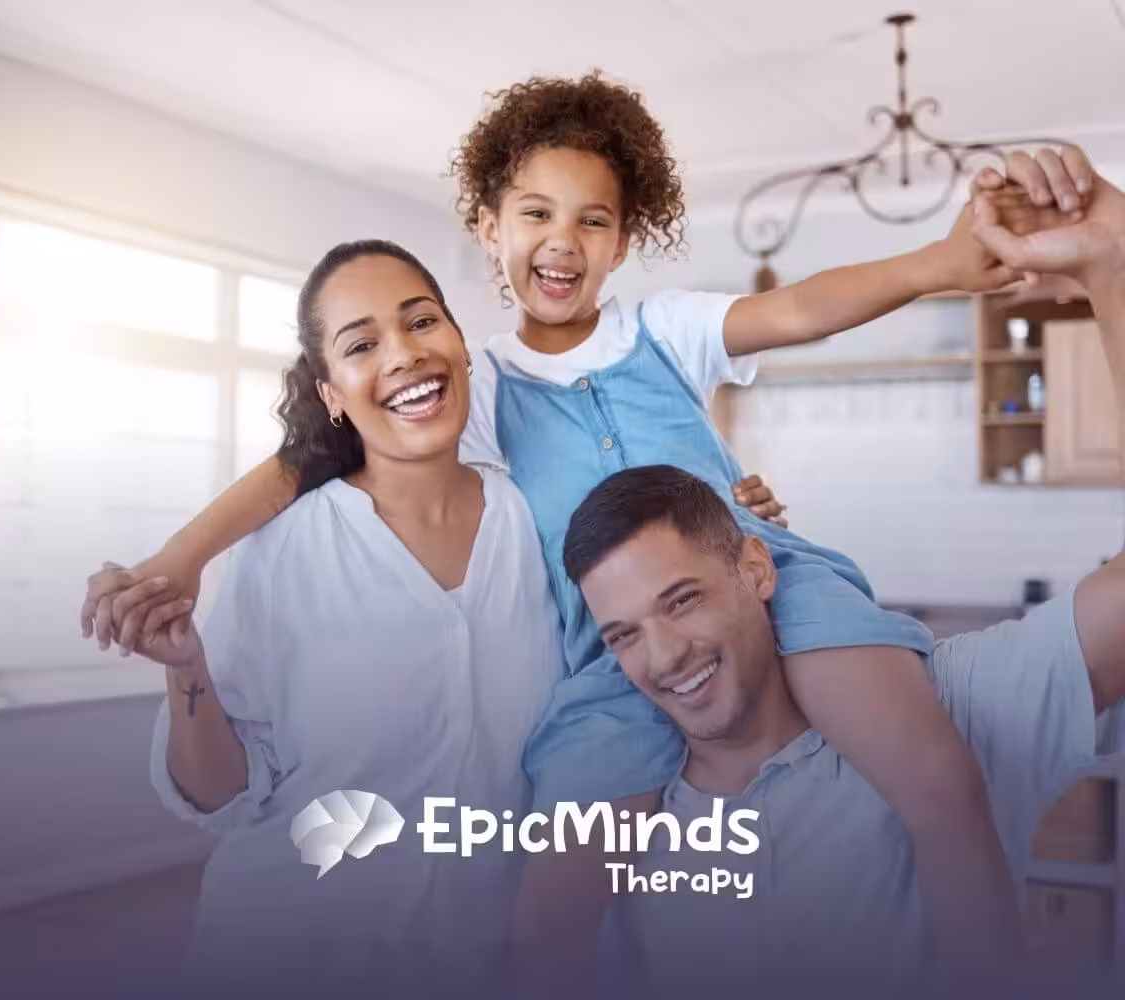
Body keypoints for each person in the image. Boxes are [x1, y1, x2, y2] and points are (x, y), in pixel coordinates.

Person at [82, 76, 1076, 977]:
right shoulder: (475, 390)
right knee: (555, 909)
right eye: (537, 213)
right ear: (489, 225)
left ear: (623, 239)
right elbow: (307, 459)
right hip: (606, 657)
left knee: (938, 780)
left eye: (593, 219)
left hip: (771, 580)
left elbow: (802, 308)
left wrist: (943, 262)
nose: (564, 237)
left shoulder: (664, 332)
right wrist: (177, 560)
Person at [560, 151, 1125, 990]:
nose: (666, 655)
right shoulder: (615, 819)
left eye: (681, 600)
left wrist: (1113, 265)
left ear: (757, 567)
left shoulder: (950, 709)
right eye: (624, 633)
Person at [90, 239, 571, 993]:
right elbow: (219, 792)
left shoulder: (534, 523)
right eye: (362, 344)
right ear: (333, 394)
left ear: (461, 346)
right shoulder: (282, 550)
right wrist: (188, 672)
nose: (405, 354)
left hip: (484, 958)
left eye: (422, 323)